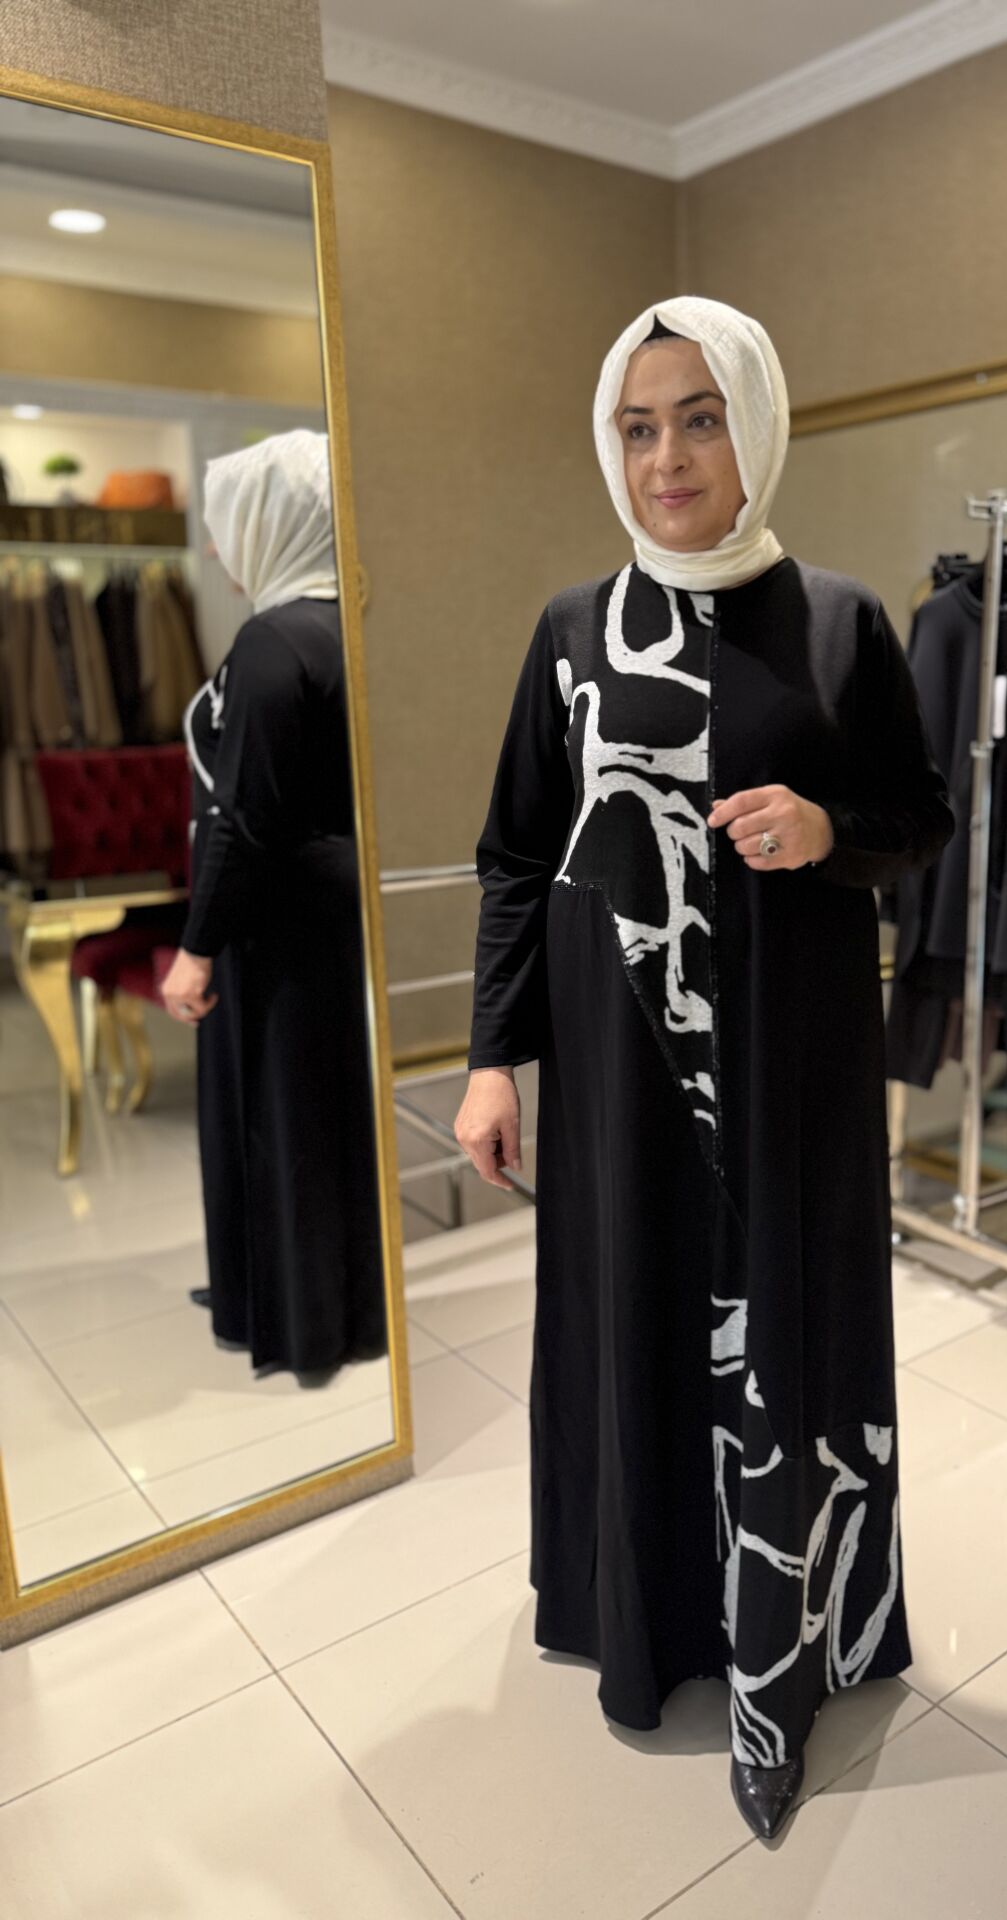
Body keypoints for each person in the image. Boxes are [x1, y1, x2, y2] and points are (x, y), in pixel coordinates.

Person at [454, 297, 954, 1839]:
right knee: (637, 1328)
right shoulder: (570, 632)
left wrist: (825, 829)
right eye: (638, 425)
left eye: (699, 418)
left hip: (792, 1077)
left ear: (756, 427)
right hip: (621, 1095)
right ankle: (647, 1624)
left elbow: (920, 821)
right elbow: (515, 858)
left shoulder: (841, 623)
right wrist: (493, 1060)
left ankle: (786, 1665)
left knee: (783, 1339)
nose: (667, 456)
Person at [160, 429, 387, 1384]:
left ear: (273, 521)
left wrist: (196, 946)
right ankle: (313, 1302)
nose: (218, 547)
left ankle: (298, 1317)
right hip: (325, 913)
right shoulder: (341, 626)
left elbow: (242, 817)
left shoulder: (272, 640)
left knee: (278, 1116)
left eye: (229, 523)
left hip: (274, 917)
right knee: (318, 1113)